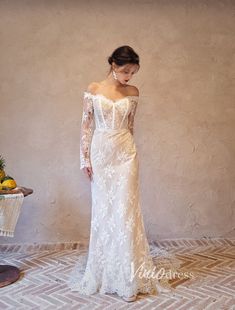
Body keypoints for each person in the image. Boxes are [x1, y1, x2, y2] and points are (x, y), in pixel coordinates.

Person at [68, 45, 171, 302]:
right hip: (101, 154)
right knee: (104, 212)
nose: (129, 77)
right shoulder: (93, 89)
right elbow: (86, 126)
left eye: (133, 73)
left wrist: (132, 155)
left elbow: (131, 126)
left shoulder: (133, 93)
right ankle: (106, 272)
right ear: (113, 65)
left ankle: (129, 278)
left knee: (126, 212)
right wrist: (85, 159)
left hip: (126, 154)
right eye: (126, 71)